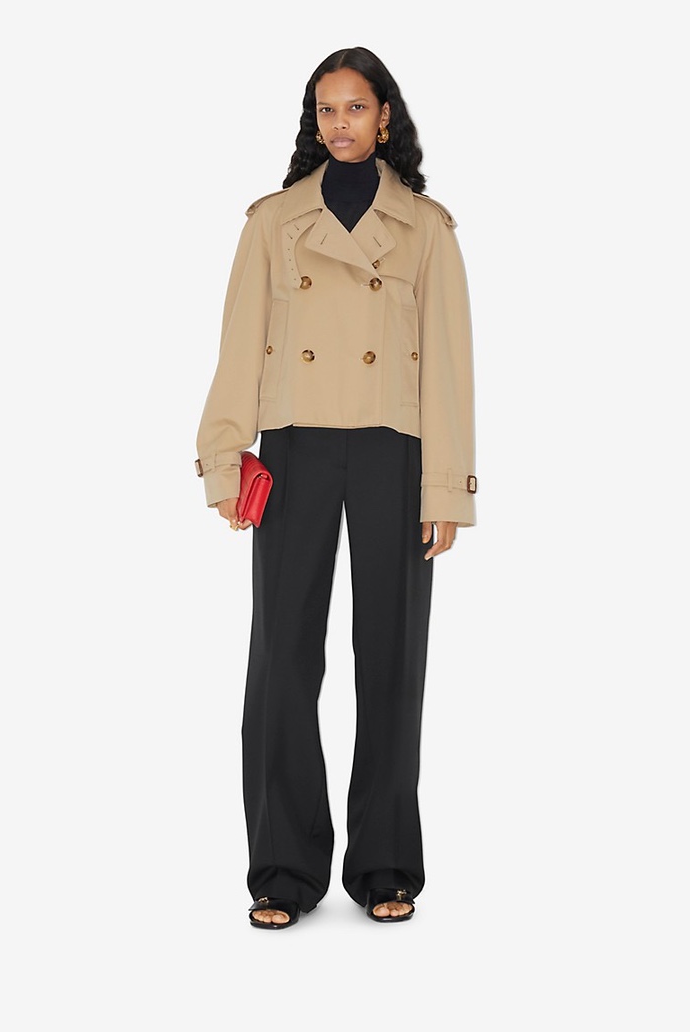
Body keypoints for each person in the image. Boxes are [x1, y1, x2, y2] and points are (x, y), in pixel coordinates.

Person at [194, 46, 477, 929]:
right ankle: (283, 870)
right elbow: (239, 342)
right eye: (326, 109)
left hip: (396, 448)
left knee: (391, 661)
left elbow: (450, 365)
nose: (340, 123)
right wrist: (225, 454)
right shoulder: (273, 222)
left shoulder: (425, 227)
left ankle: (386, 864)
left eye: (355, 107)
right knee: (282, 660)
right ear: (312, 121)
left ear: (385, 117)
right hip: (294, 443)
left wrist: (445, 487)